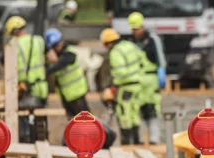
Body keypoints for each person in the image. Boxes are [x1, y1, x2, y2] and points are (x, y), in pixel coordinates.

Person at [44, 28, 116, 148]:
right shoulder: (54, 59)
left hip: (77, 94)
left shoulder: (69, 53)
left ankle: (103, 138)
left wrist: (49, 69)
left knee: (86, 121)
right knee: (74, 122)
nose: (57, 47)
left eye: (58, 44)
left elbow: (65, 62)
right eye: (54, 46)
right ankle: (81, 144)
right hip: (67, 97)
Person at [0, 16, 49, 108]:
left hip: (26, 90)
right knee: (38, 120)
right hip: (42, 89)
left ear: (14, 32)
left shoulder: (12, 45)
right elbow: (53, 58)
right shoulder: (39, 40)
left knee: (24, 120)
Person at [126, 12, 167, 144]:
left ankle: (154, 139)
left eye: (137, 29)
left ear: (142, 26)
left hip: (151, 80)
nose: (136, 32)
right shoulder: (131, 42)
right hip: (137, 81)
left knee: (152, 109)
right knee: (138, 110)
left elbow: (161, 58)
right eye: (133, 29)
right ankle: (140, 139)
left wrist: (161, 72)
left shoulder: (153, 40)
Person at [100, 28, 144, 145]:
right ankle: (137, 141)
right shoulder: (130, 45)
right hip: (137, 85)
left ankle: (126, 142)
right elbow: (142, 60)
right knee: (134, 113)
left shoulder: (116, 52)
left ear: (109, 42)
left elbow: (120, 73)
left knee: (124, 114)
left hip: (125, 87)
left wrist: (113, 85)